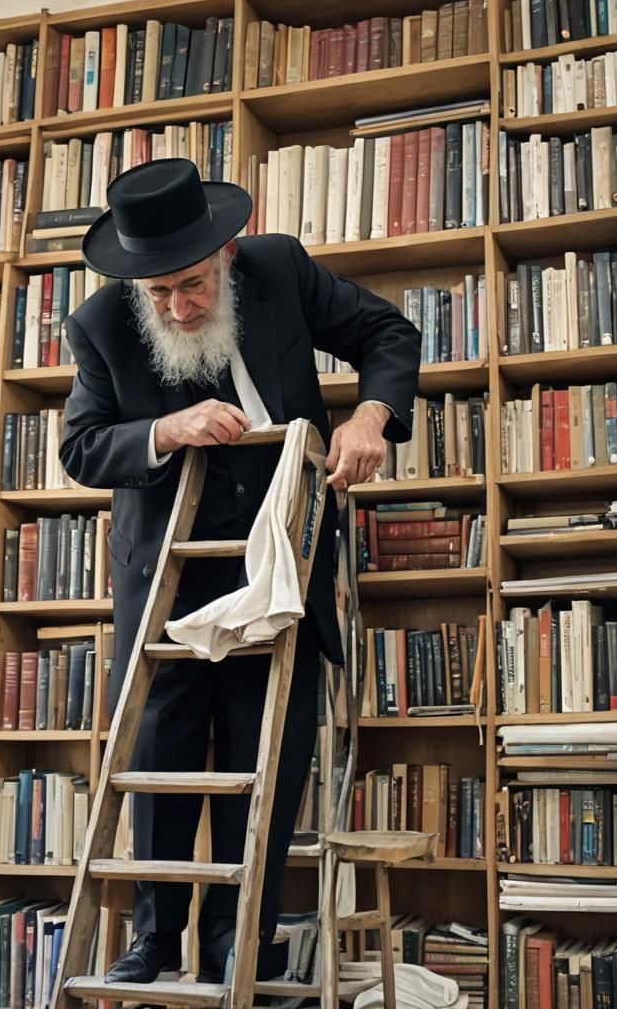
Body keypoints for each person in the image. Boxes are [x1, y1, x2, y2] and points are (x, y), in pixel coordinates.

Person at [59, 158, 420, 986]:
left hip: (281, 571)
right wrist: (170, 427)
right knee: (164, 758)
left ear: (224, 256)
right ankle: (155, 939)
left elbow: (388, 334)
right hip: (170, 583)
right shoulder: (100, 326)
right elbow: (82, 448)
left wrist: (370, 414)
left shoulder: (280, 269)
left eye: (190, 286)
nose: (178, 308)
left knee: (265, 768)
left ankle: (235, 941)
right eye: (158, 295)